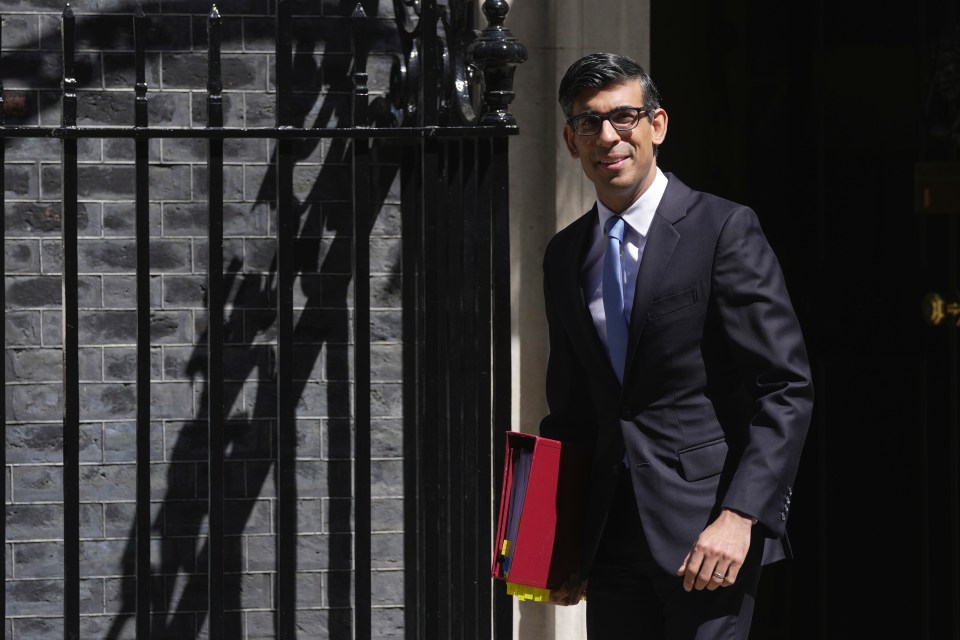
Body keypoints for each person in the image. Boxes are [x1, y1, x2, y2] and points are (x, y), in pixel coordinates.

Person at [539, 52, 814, 639]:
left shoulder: (723, 230)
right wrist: (556, 541)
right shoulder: (565, 256)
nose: (608, 137)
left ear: (657, 125)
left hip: (707, 536)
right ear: (570, 139)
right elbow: (571, 411)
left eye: (625, 117)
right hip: (610, 540)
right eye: (589, 123)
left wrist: (741, 516)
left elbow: (784, 387)